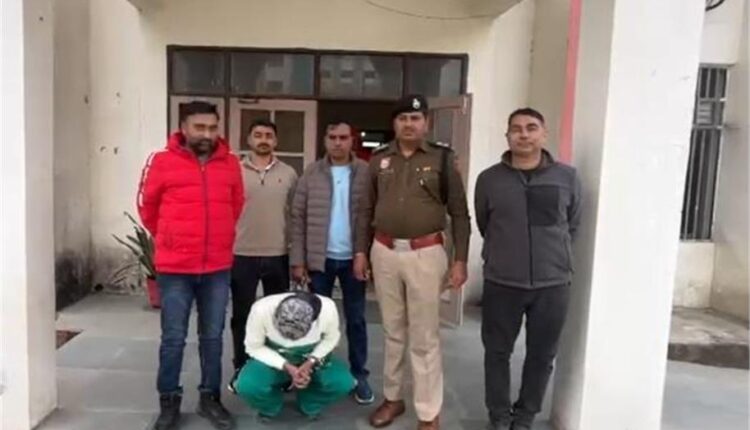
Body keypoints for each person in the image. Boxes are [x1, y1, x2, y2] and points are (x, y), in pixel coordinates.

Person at [355, 95, 471, 430]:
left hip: (426, 254)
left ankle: (428, 413)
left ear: (426, 123)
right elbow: (365, 209)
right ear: (394, 124)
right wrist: (361, 251)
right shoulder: (379, 159)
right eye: (403, 118)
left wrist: (460, 260)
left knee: (424, 336)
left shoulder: (442, 159)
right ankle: (393, 399)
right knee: (392, 331)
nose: (409, 124)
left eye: (415, 118)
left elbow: (459, 213)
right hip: (384, 252)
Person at [137, 101, 243, 430]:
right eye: (200, 127)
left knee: (213, 337)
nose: (207, 134)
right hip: (175, 269)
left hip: (216, 267)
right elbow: (146, 207)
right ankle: (169, 401)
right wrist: (171, 238)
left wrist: (218, 238)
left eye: (212, 128)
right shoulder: (161, 161)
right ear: (183, 128)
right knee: (173, 338)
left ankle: (210, 398)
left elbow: (236, 205)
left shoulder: (230, 163)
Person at [474, 108, 582, 430]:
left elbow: (572, 224)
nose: (523, 134)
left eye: (531, 128)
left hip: (552, 283)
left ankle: (524, 416)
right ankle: (498, 415)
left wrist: (554, 255)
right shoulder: (489, 179)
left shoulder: (567, 178)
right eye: (516, 129)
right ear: (507, 136)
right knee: (497, 353)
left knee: (542, 355)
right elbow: (485, 223)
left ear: (543, 134)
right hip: (502, 281)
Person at [290, 120, 374, 404]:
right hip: (319, 260)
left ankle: (359, 375)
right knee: (317, 321)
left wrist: (366, 254)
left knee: (356, 320)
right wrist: (298, 260)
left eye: (343, 137)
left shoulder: (366, 172)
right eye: (333, 137)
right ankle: (315, 373)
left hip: (353, 259)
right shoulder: (311, 173)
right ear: (325, 140)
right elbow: (297, 217)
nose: (338, 142)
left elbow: (372, 215)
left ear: (352, 140)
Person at [229, 119, 297, 383]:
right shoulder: (234, 171)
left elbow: (295, 215)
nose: (263, 139)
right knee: (242, 316)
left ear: (275, 141)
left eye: (268, 135)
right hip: (241, 254)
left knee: (278, 318)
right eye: (258, 135)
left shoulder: (289, 174)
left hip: (277, 253)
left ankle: (277, 369)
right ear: (249, 140)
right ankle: (242, 367)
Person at [232, 291, 356, 421]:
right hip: (273, 354)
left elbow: (331, 339)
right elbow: (254, 347)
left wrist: (311, 361)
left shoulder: (328, 308)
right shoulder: (261, 309)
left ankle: (311, 402)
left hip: (311, 354)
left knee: (343, 382)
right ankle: (269, 407)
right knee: (247, 385)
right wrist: (286, 366)